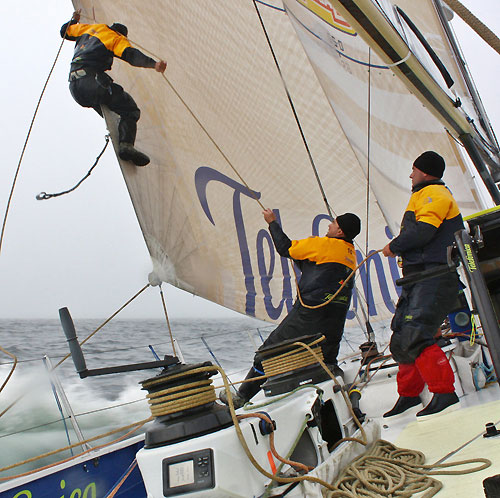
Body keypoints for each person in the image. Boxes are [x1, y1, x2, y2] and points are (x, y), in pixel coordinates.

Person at [220, 208, 361, 408]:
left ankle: (242, 397)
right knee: (327, 357)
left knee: (268, 351)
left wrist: (272, 222)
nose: (329, 225)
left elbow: (285, 248)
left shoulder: (323, 244)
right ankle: (338, 403)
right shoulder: (350, 254)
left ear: (340, 232)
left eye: (334, 223)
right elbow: (316, 267)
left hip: (310, 313)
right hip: (335, 317)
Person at [382, 151, 463, 419]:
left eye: (414, 170)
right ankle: (409, 395)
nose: (410, 174)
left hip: (435, 274)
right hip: (418, 276)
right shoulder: (421, 195)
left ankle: (445, 392)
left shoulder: (434, 195)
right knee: (402, 335)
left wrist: (394, 246)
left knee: (417, 333)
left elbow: (424, 231)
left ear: (426, 172)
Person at [61, 12, 167, 167]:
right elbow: (131, 55)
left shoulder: (89, 29)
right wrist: (154, 64)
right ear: (121, 34)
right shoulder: (114, 37)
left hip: (75, 88)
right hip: (92, 83)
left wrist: (74, 20)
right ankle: (126, 146)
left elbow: (65, 31)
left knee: (109, 106)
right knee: (130, 109)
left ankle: (118, 126)